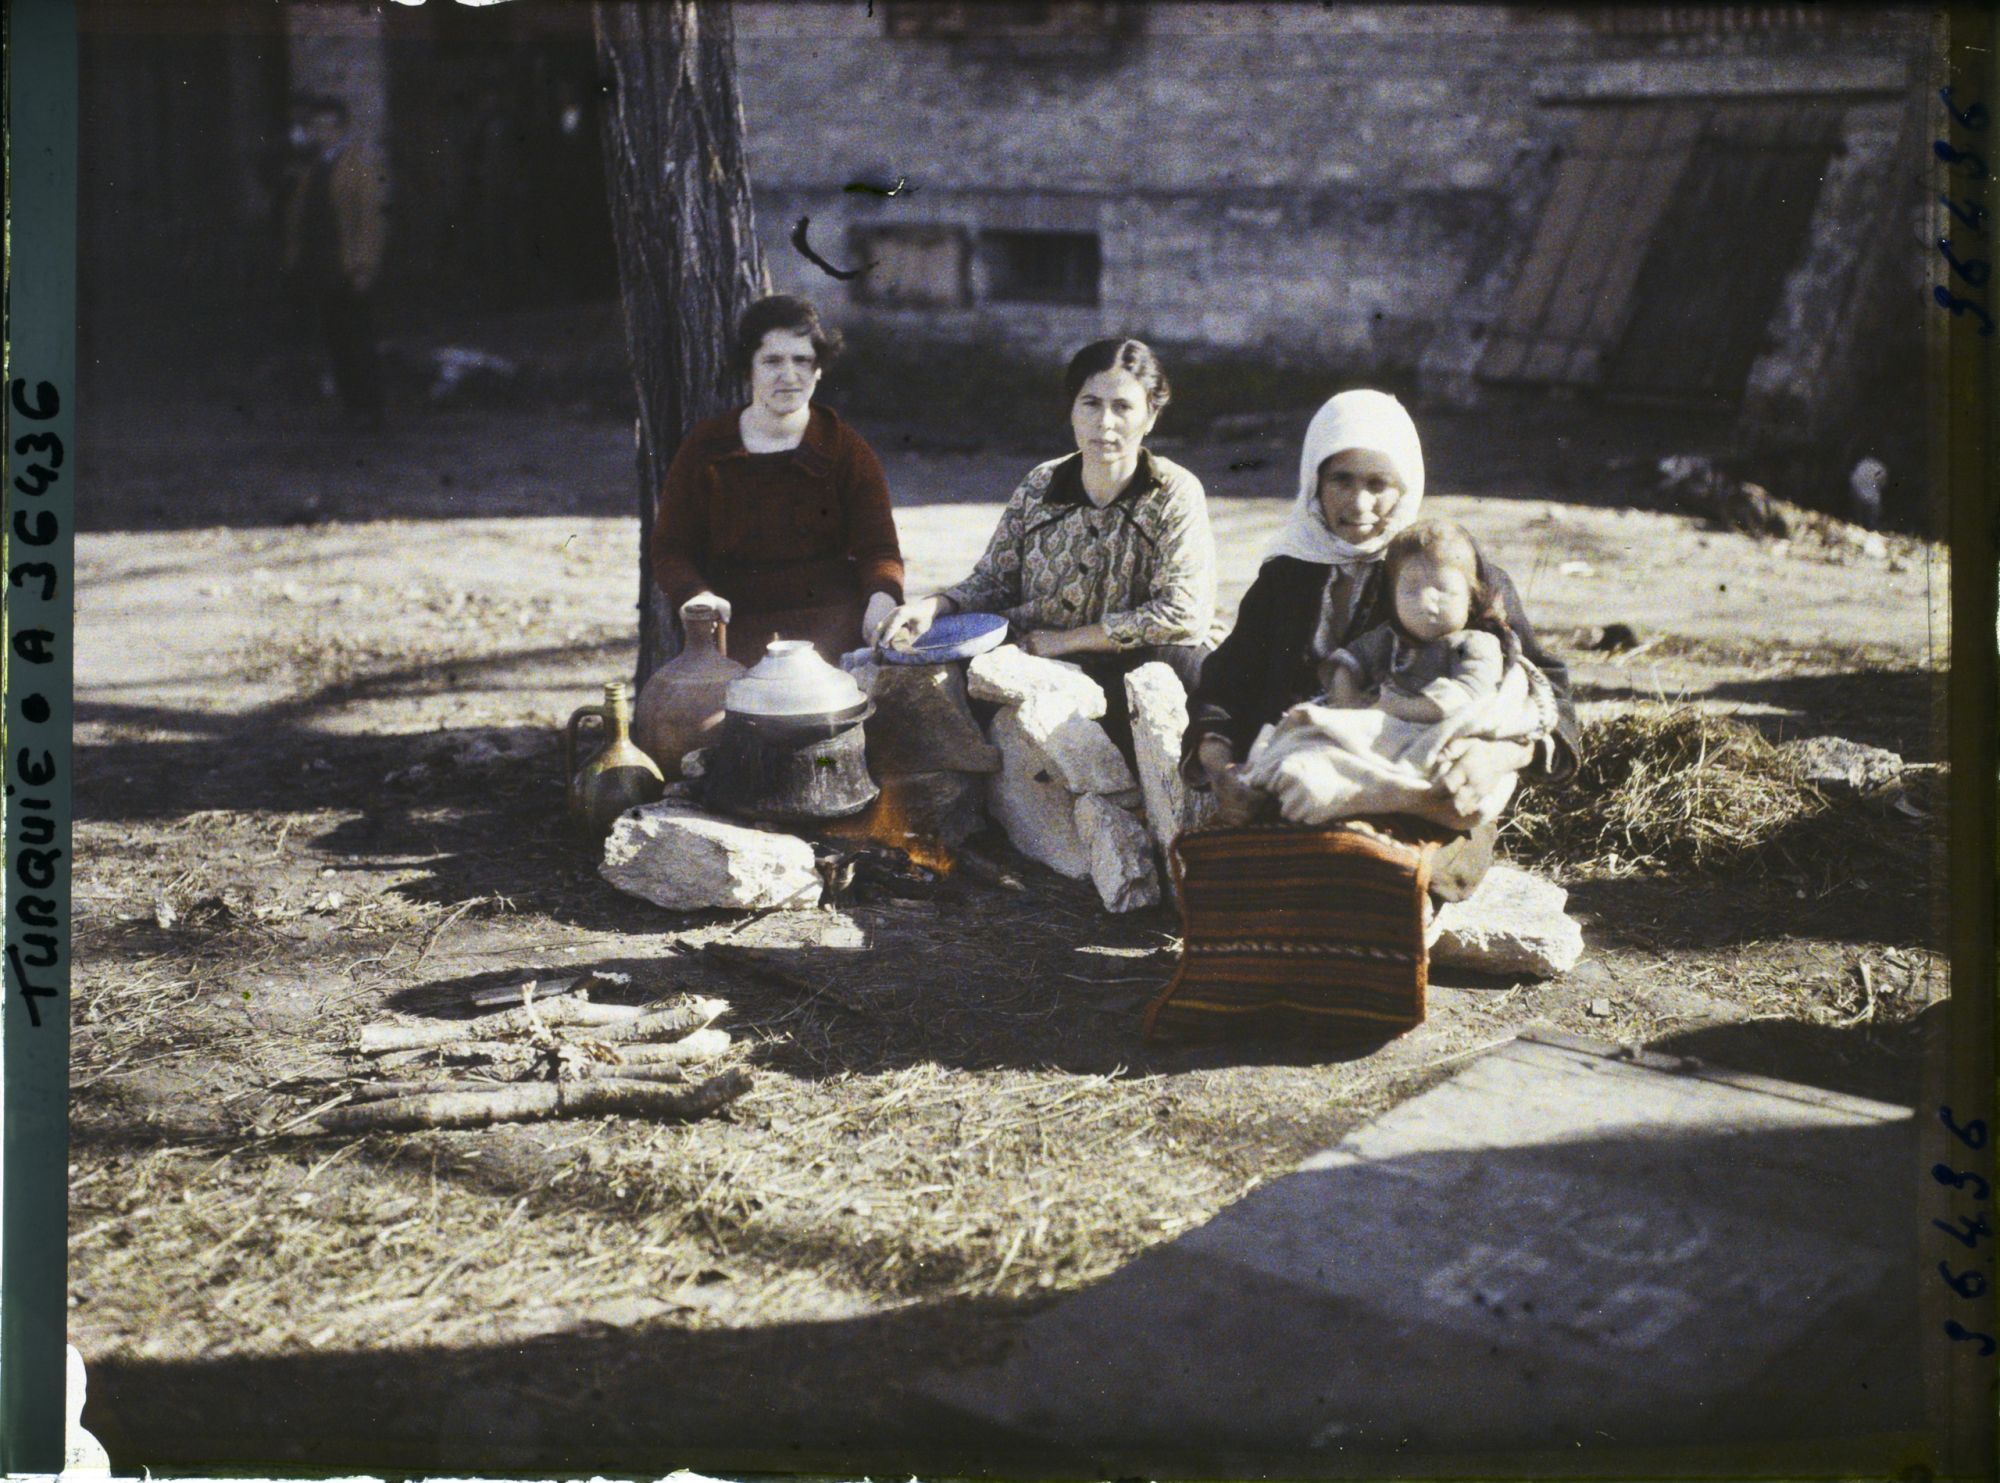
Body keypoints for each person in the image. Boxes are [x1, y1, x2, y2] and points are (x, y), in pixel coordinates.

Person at [1184, 390, 1577, 894]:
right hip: (1297, 782)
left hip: (1426, 789)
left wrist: (1499, 757)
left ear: (1406, 485)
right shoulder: (1287, 574)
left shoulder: (1451, 571)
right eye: (1341, 479)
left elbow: (1553, 698)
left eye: (1379, 483)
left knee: (1372, 879)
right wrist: (1222, 771)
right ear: (1314, 480)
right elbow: (1225, 681)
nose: (1359, 504)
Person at [876, 338, 1215, 758]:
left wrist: (1068, 641)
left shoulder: (1173, 492)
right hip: (1033, 657)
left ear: (1151, 415)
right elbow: (994, 581)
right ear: (1072, 410)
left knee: (1193, 669)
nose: (1105, 423)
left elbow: (1182, 613)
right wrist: (933, 606)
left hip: (1127, 661)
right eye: (1090, 403)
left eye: (1123, 407)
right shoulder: (1041, 484)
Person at [1238, 518, 1560, 829]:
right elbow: (1350, 659)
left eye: (1444, 591)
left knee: (1448, 777)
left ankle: (1389, 795)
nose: (1426, 601)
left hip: (1437, 734)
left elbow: (1467, 698)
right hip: (1385, 723)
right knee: (1307, 747)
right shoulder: (1388, 638)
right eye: (1410, 591)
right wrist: (1346, 694)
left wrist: (1397, 708)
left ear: (1471, 597)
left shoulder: (1475, 643)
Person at [651, 295, 905, 668]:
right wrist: (695, 595)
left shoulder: (845, 449)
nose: (789, 375)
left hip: (834, 634)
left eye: (802, 360)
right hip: (736, 636)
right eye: (772, 361)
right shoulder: (706, 450)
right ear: (747, 368)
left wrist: (882, 600)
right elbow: (671, 549)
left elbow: (880, 551)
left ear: (819, 368)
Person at [280, 95, 387, 427]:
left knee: (357, 338)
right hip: (321, 265)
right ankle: (351, 404)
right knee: (336, 338)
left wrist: (364, 265)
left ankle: (369, 408)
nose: (320, 133)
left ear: (341, 129)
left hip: (347, 264)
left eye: (327, 127)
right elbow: (299, 215)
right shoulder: (313, 168)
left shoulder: (357, 167)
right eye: (316, 127)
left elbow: (369, 220)